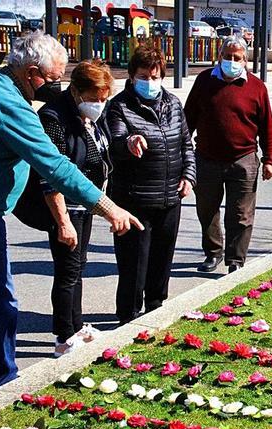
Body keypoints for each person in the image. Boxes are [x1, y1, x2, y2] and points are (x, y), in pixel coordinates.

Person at [0, 32, 141, 397]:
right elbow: (55, 166)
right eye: (53, 80)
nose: (57, 87)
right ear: (32, 72)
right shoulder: (9, 104)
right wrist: (108, 207)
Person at [106, 44, 196, 325]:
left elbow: (186, 144)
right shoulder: (119, 107)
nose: (150, 82)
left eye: (155, 76)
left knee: (162, 258)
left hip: (170, 197)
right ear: (132, 76)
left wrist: (189, 176)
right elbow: (115, 141)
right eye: (143, 76)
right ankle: (128, 315)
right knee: (134, 263)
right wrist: (129, 142)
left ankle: (156, 306)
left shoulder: (173, 104)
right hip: (134, 199)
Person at [38, 59, 115, 357]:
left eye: (104, 99)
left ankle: (77, 324)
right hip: (64, 206)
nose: (100, 104)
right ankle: (63, 335)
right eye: (96, 98)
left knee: (78, 266)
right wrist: (62, 221)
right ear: (78, 91)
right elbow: (50, 175)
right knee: (67, 271)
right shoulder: (54, 118)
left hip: (84, 203)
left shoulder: (88, 116)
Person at [184, 36, 272, 274]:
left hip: (243, 160)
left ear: (245, 60)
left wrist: (269, 159)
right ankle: (213, 253)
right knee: (207, 209)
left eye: (237, 58)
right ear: (219, 57)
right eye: (228, 56)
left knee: (241, 214)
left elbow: (267, 126)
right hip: (206, 158)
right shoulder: (204, 81)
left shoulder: (257, 87)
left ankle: (235, 259)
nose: (232, 61)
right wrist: (181, 155)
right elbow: (188, 120)